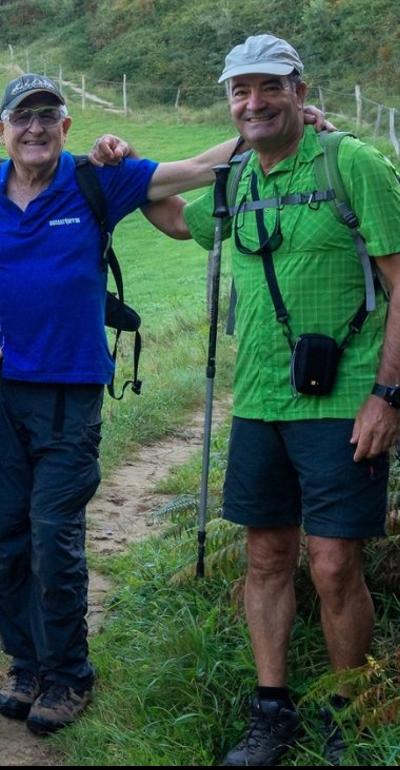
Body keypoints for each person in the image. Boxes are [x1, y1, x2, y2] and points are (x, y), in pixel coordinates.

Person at [0, 73, 233, 735]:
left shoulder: (98, 179)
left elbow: (197, 170)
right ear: (3, 130)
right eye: (24, 118)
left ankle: (70, 673)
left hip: (69, 394)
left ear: (66, 127)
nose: (36, 129)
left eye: (49, 117)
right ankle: (25, 663)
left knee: (55, 537)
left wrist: (265, 129)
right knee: (9, 540)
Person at [177, 36, 400, 766]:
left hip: (344, 402)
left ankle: (350, 709)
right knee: (266, 556)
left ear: (301, 89)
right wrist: (120, 162)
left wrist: (388, 395)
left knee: (334, 564)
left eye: (269, 88)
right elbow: (164, 206)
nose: (254, 102)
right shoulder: (235, 177)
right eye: (239, 92)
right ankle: (271, 713)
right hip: (261, 401)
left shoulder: (352, 164)